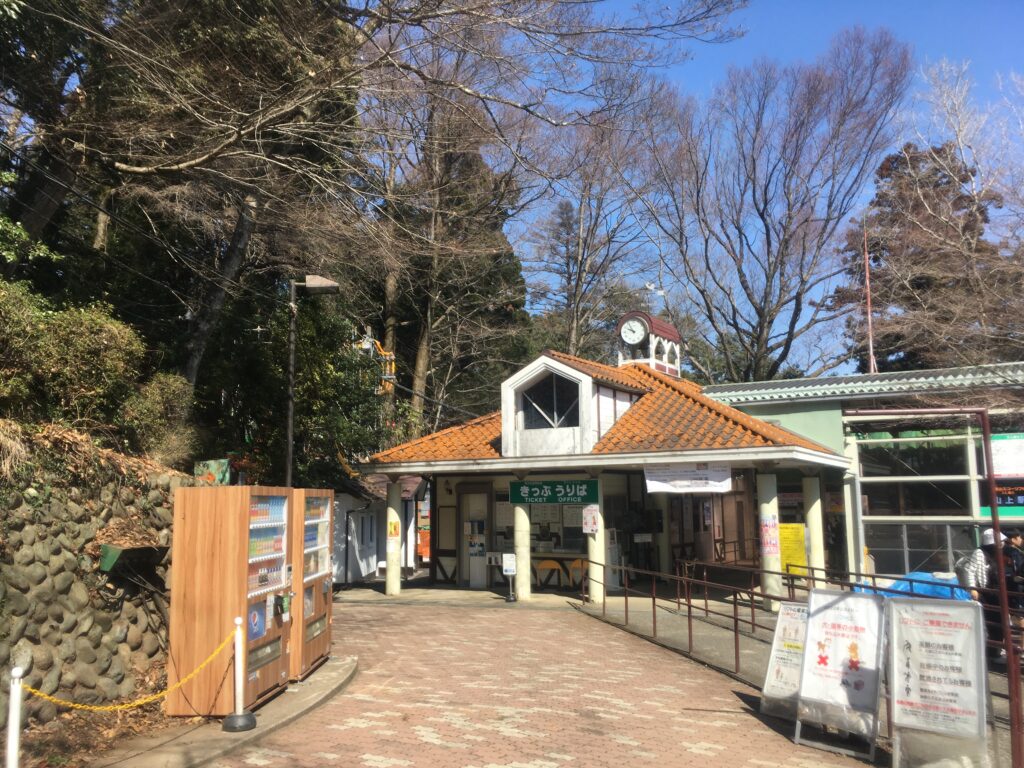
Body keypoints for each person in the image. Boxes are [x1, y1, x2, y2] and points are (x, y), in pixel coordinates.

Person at [963, 527, 1007, 661]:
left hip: (997, 593)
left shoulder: (998, 553)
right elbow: (970, 570)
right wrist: (972, 588)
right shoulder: (980, 553)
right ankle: (993, 653)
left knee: (1000, 621)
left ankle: (996, 649)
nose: (1002, 544)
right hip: (986, 592)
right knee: (991, 622)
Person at [1005, 527, 1024, 651]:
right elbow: (1018, 573)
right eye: (1019, 537)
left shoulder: (1002, 550)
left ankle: (1006, 645)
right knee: (1021, 618)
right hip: (1017, 589)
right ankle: (1022, 649)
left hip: (1007, 587)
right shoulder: (1014, 553)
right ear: (1013, 539)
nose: (1021, 539)